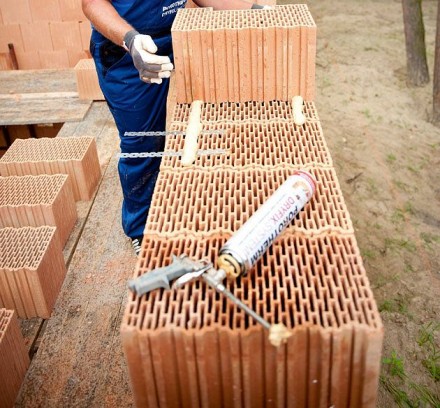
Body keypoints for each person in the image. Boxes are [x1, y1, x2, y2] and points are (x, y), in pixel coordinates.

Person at [82, 0, 269, 256]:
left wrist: (250, 11)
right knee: (143, 141)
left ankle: (185, 204)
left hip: (175, 38)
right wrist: (131, 40)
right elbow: (92, 4)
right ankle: (141, 227)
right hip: (127, 51)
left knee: (199, 118)